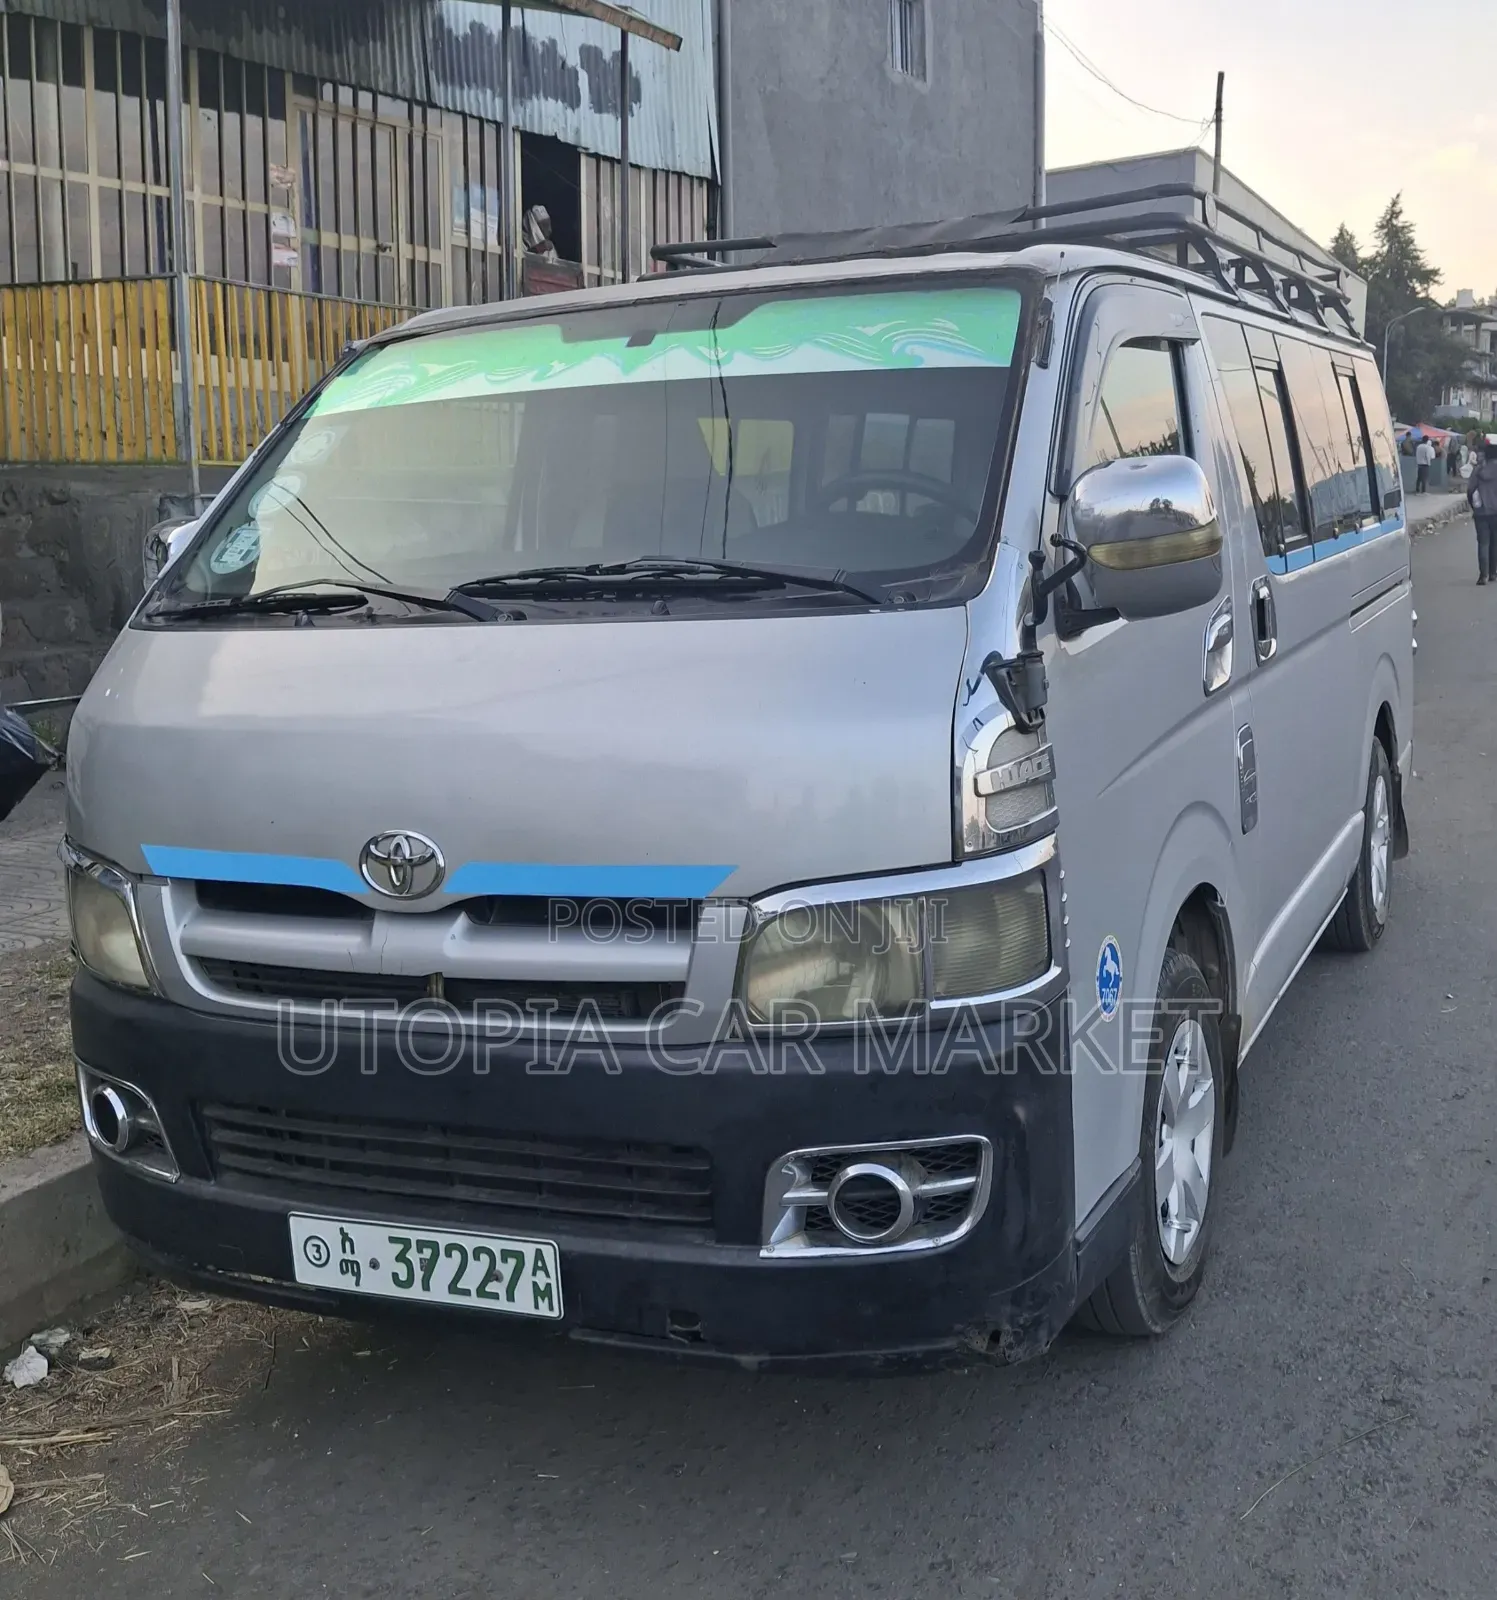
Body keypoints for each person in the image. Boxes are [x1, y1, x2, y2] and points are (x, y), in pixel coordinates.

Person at [1467, 442, 1497, 584]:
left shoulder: (1478, 471)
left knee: (1483, 543)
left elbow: (1470, 490)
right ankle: (1493, 573)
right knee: (1495, 543)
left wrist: (1474, 506)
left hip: (1481, 512)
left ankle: (1483, 576)